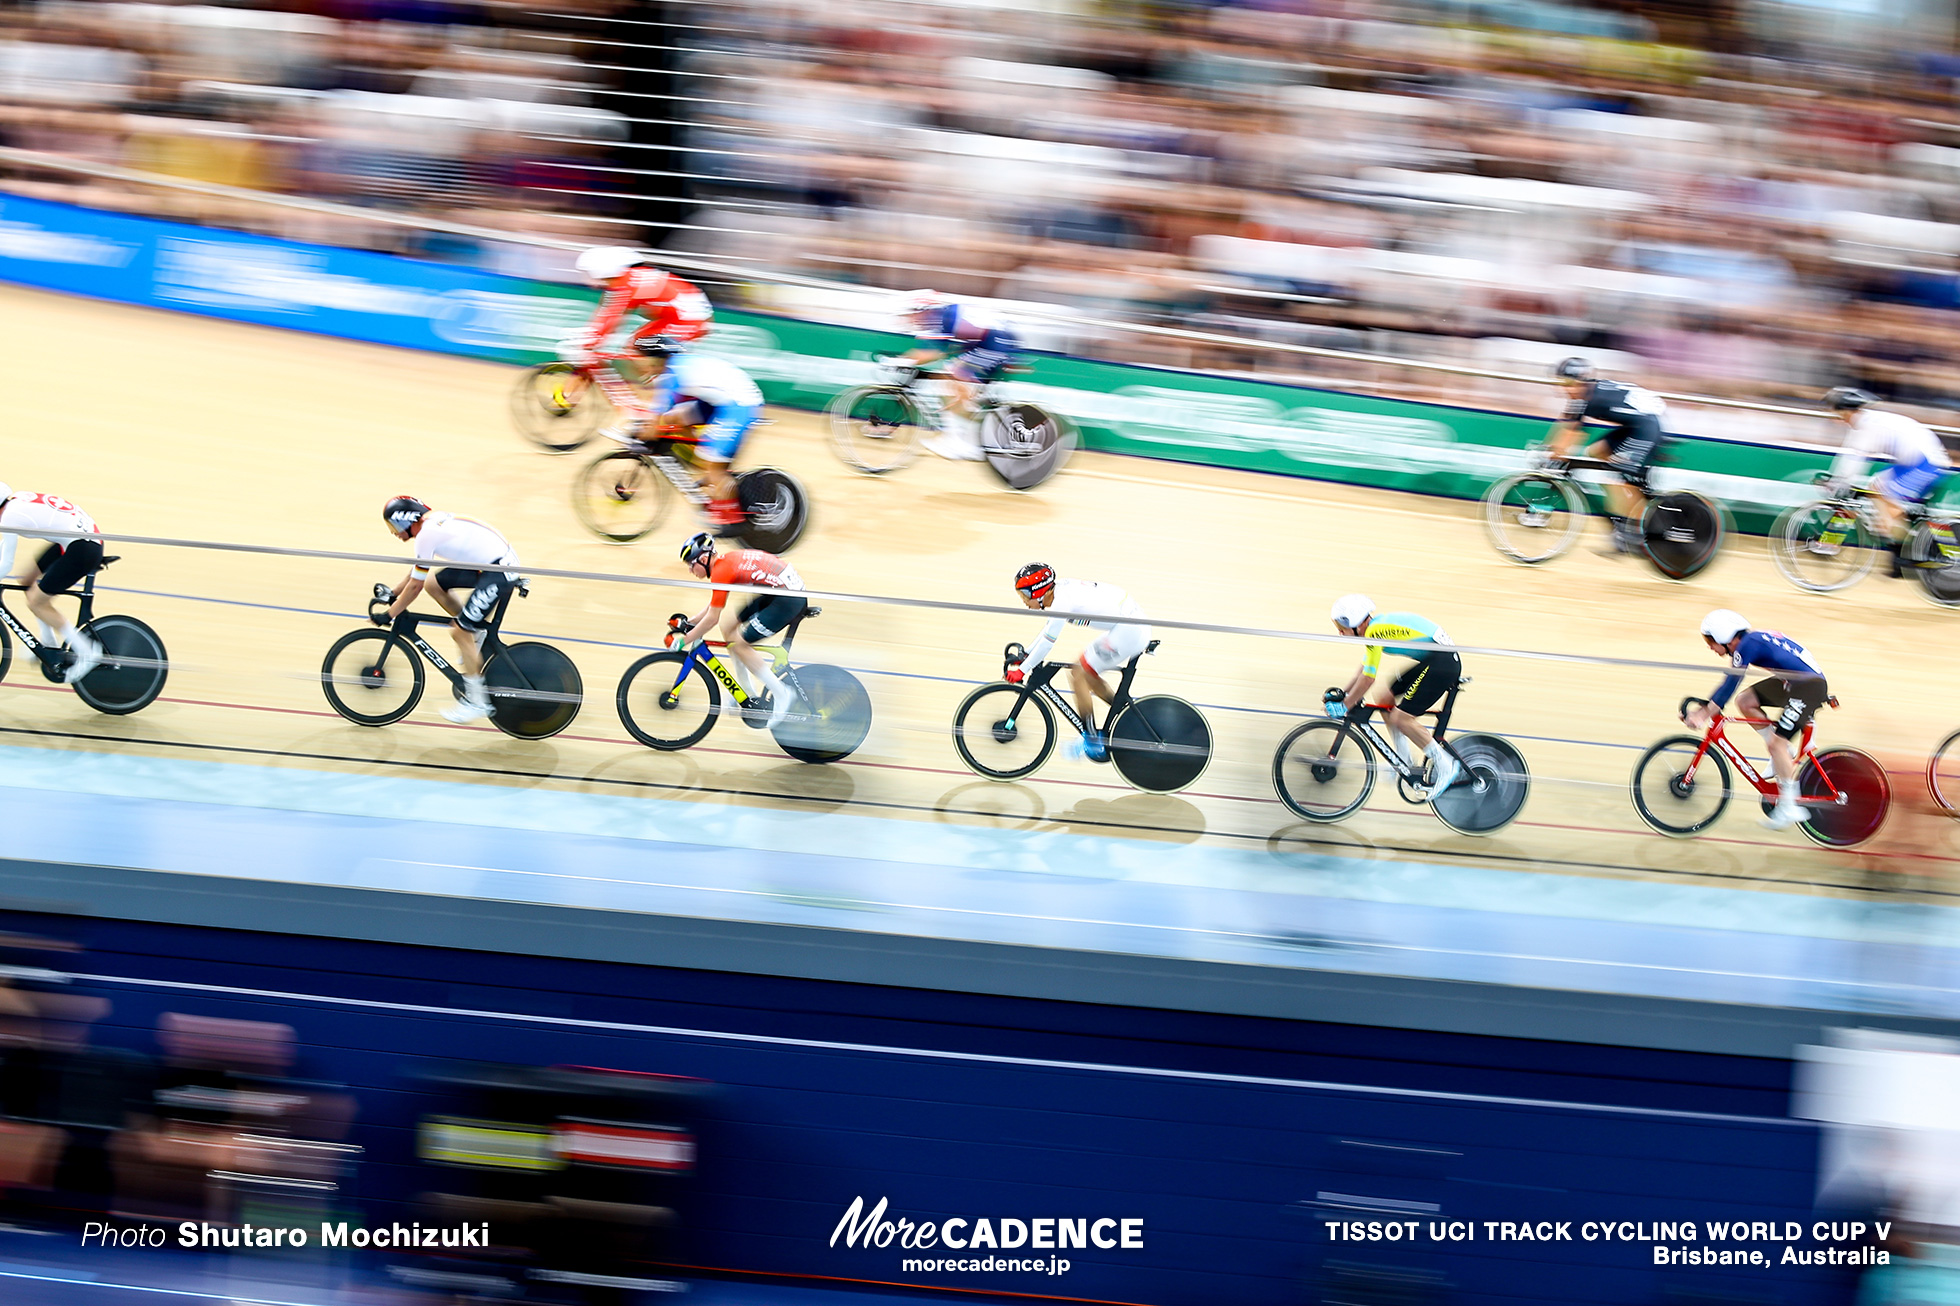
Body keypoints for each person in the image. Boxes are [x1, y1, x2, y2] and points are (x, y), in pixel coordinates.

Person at [376, 496, 522, 725]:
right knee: (435, 584)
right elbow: (419, 571)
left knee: (458, 631)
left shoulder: (426, 534)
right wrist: (394, 593)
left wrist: (390, 614)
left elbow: (415, 586)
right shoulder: (430, 523)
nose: (392, 532)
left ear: (406, 521)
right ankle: (473, 631)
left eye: (393, 526)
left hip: (499, 572)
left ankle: (478, 702)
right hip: (489, 565)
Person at [1687, 609, 1827, 831]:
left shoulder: (1746, 645)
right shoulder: (1751, 641)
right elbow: (1732, 688)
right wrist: (1707, 708)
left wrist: (1704, 714)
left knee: (1776, 744)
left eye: (1710, 640)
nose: (1709, 646)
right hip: (1795, 683)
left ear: (1724, 636)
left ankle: (1789, 806)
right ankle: (1784, 753)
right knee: (1745, 701)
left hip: (1808, 687)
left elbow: (1731, 682)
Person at [567, 246, 714, 442]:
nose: (593, 282)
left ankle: (642, 413)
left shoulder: (624, 282)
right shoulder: (631, 277)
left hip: (687, 320)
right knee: (636, 346)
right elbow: (609, 317)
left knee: (648, 354)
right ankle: (655, 407)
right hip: (683, 317)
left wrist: (589, 341)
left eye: (591, 274)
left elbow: (609, 319)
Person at [1008, 563, 1149, 764]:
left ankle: (1092, 741)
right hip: (1128, 622)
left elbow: (1048, 643)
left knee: (1079, 674)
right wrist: (1028, 653)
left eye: (1024, 596)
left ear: (1039, 592)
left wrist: (1023, 670)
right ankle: (1125, 715)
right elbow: (1049, 627)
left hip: (1129, 631)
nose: (1023, 601)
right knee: (1085, 672)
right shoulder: (1059, 593)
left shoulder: (1061, 603)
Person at [1327, 594, 1463, 798]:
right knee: (1384, 697)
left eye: (1341, 626)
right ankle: (1403, 760)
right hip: (1436, 659)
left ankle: (1446, 766)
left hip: (1442, 664)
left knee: (1402, 718)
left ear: (1355, 622)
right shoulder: (1374, 628)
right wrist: (1345, 693)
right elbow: (1364, 669)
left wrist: (1345, 705)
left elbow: (1367, 679)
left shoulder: (1374, 632)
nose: (1339, 632)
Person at [634, 343, 767, 534]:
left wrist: (642, 433)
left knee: (714, 468)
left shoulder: (672, 372)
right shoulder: (677, 367)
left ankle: (733, 519)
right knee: (677, 418)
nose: (644, 366)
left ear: (657, 360)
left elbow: (656, 416)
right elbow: (666, 414)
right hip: (721, 400)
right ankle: (706, 464)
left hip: (738, 406)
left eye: (646, 360)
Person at [676, 531, 806, 728]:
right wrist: (691, 622)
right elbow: (714, 606)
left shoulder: (721, 571)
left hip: (787, 600)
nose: (690, 570)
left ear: (703, 559)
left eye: (691, 564)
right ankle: (746, 691)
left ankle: (783, 693)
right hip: (777, 592)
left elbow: (712, 618)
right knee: (728, 627)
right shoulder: (724, 564)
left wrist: (683, 641)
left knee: (741, 646)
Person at [1822, 387, 1952, 576]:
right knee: (1878, 490)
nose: (1836, 418)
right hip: (1915, 461)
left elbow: (1855, 460)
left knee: (1883, 495)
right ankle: (1897, 555)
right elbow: (1850, 457)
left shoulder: (1866, 426)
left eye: (1837, 412)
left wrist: (1837, 482)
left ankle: (1903, 552)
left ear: (1846, 411)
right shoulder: (1865, 422)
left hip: (1926, 463)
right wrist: (1838, 480)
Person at [1546, 357, 1669, 556]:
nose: (1565, 388)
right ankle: (1625, 517)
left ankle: (1633, 528)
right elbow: (1565, 425)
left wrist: (1556, 455)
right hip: (1635, 426)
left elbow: (1573, 432)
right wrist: (1551, 450)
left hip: (1648, 426)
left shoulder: (1588, 398)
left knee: (1618, 477)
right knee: (1596, 453)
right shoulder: (1583, 396)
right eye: (1562, 383)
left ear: (1581, 381)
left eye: (1568, 383)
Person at [894, 290, 1022, 462]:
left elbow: (931, 353)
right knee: (955, 385)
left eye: (911, 314)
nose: (909, 319)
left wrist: (897, 362)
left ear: (923, 310)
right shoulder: (941, 316)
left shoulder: (940, 317)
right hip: (991, 341)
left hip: (997, 342)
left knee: (955, 376)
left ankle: (959, 442)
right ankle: (970, 440)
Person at [0, 486, 104, 686]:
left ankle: (88, 651)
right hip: (78, 540)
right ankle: (48, 643)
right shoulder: (15, 502)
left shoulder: (8, 518)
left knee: (38, 603)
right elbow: (4, 547)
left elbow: (6, 564)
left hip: (82, 547)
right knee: (27, 581)